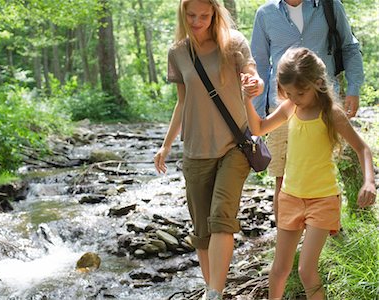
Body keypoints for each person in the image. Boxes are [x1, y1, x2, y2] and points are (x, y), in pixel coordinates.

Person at [242, 47, 376, 300]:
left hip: (323, 199)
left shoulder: (332, 114)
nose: (295, 97)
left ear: (317, 83)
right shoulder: (290, 107)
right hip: (290, 197)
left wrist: (369, 181)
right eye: (289, 93)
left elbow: (363, 148)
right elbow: (258, 129)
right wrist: (247, 100)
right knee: (279, 268)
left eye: (300, 93)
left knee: (306, 270)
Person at [153, 0, 264, 299]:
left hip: (234, 146)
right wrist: (165, 145)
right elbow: (182, 101)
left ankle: (214, 292)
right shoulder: (178, 52)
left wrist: (254, 84)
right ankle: (211, 290)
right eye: (191, 15)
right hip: (196, 150)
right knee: (202, 232)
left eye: (204, 15)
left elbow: (254, 77)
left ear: (215, 13)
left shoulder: (234, 43)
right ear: (182, 13)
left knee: (220, 218)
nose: (197, 21)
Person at [250, 0, 365, 221]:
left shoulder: (330, 6)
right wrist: (259, 114)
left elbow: (349, 47)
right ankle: (288, 242)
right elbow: (260, 64)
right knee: (283, 180)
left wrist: (354, 88)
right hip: (282, 106)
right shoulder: (265, 13)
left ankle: (326, 229)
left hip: (323, 104)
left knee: (322, 169)